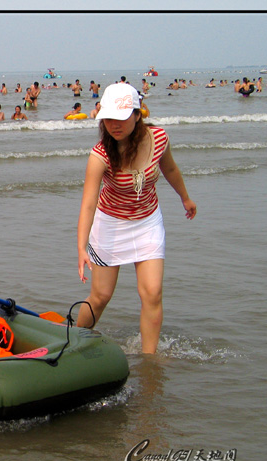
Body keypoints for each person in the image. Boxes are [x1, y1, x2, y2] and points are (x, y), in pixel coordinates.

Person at [76, 83, 196, 354]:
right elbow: (88, 204)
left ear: (137, 114)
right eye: (108, 119)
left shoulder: (158, 139)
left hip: (147, 222)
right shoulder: (100, 155)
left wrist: (185, 198)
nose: (113, 125)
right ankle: (73, 340)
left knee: (152, 293)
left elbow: (171, 169)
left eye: (120, 118)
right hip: (110, 225)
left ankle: (149, 359)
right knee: (100, 296)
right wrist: (81, 247)